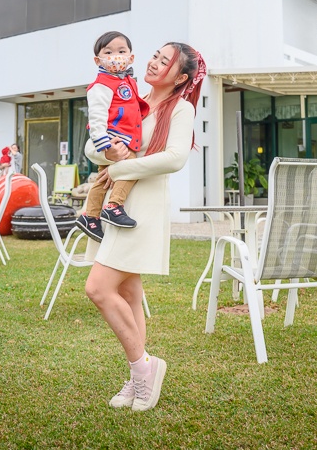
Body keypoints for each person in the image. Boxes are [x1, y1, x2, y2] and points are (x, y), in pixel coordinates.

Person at [83, 41, 205, 412]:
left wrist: (120, 168)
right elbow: (94, 141)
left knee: (98, 288)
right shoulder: (130, 96)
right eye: (154, 55)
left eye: (164, 61)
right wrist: (107, 153)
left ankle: (144, 371)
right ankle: (139, 378)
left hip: (142, 209)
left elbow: (175, 158)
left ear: (181, 76)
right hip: (113, 203)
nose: (154, 62)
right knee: (130, 293)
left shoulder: (180, 109)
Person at [74, 31, 151, 242]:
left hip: (122, 137)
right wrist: (105, 146)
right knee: (132, 166)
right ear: (98, 60)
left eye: (121, 51)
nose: (116, 56)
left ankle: (90, 217)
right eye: (108, 52)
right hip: (115, 139)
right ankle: (114, 206)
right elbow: (97, 117)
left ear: (131, 57)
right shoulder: (101, 85)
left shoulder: (128, 81)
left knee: (103, 179)